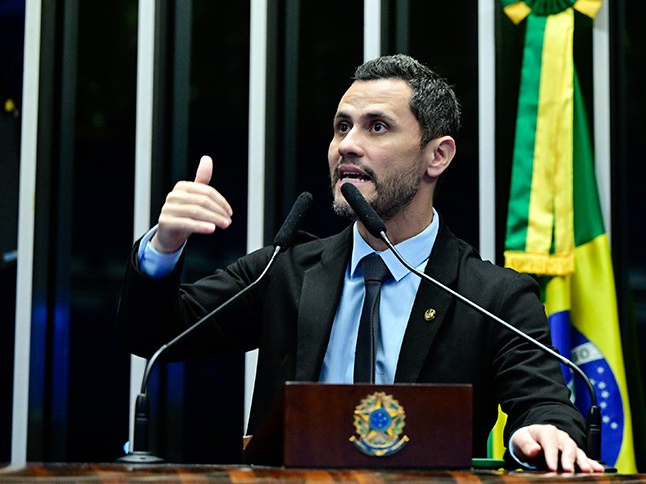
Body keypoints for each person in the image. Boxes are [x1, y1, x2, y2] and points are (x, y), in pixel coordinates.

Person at [118, 54, 605, 473]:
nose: (347, 144)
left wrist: (542, 431)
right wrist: (165, 243)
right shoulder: (284, 272)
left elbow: (543, 403)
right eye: (341, 126)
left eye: (376, 126)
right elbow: (153, 333)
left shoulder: (491, 296)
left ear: (437, 156)